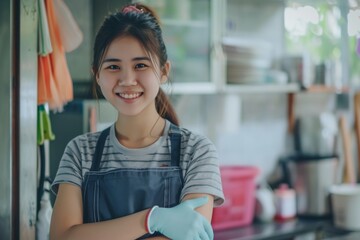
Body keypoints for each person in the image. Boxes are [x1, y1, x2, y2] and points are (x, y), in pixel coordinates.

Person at [50, 3, 224, 240]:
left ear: (163, 71)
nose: (127, 80)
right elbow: (61, 237)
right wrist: (151, 219)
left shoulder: (196, 151)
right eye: (113, 66)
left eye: (140, 65)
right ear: (97, 74)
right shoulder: (80, 152)